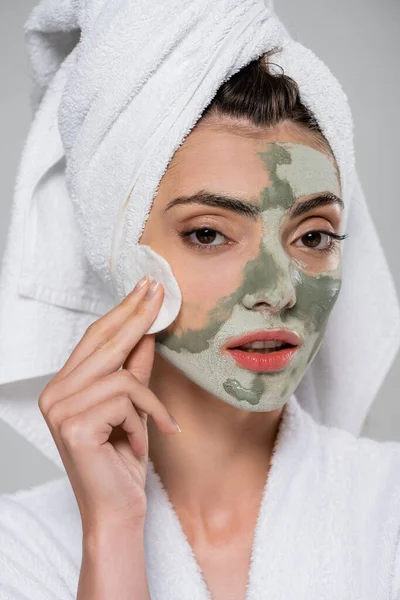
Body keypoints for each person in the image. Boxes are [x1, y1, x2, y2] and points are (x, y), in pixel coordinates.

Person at [0, 1, 399, 599]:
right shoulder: (18, 550)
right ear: (118, 252)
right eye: (209, 234)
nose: (279, 291)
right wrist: (111, 534)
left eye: (313, 236)